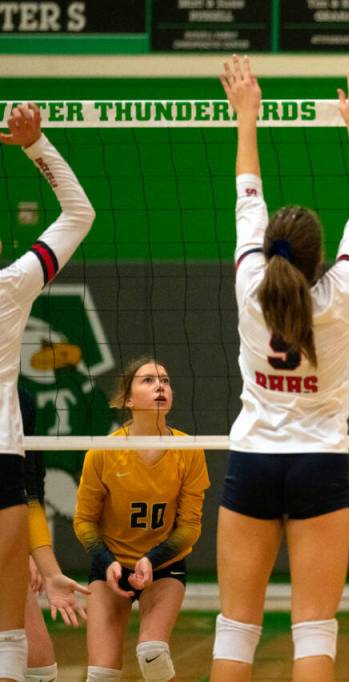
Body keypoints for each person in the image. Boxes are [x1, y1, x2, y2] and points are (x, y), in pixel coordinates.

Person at [210, 56, 349, 682]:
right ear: (315, 258)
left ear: (269, 251)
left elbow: (246, 196)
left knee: (236, 626)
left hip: (253, 460)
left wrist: (247, 117)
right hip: (320, 463)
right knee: (313, 626)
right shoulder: (338, 294)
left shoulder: (248, 281)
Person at [0, 102, 95, 682]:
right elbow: (78, 213)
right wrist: (36, 145)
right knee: (12, 634)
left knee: (22, 640)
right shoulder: (11, 287)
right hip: (1, 457)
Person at [74, 358, 210, 682]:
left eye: (164, 380)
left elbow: (190, 527)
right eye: (147, 380)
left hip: (163, 566)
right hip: (112, 566)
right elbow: (83, 521)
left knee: (153, 654)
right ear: (128, 399)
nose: (160, 386)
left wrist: (152, 559)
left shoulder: (188, 450)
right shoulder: (103, 453)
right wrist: (107, 561)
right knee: (101, 674)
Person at [21, 388, 90, 682]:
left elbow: (28, 487)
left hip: (6, 537)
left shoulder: (21, 400)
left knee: (40, 664)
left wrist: (33, 555)